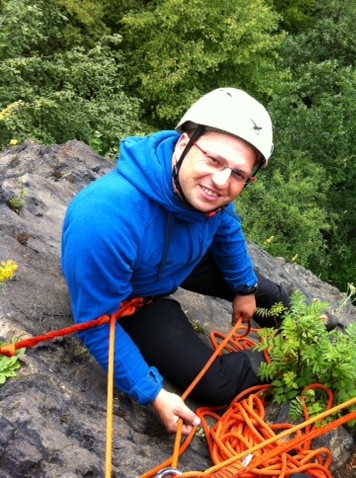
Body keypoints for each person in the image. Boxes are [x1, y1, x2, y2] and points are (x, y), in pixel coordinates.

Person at [61, 87, 295, 435]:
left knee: (267, 293)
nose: (221, 181)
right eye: (214, 160)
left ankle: (309, 331)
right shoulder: (104, 219)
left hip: (178, 259)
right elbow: (96, 323)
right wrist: (152, 393)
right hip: (135, 298)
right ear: (184, 142)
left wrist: (244, 289)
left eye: (238, 175)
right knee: (217, 387)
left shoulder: (205, 190)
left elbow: (225, 225)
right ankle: (286, 363)